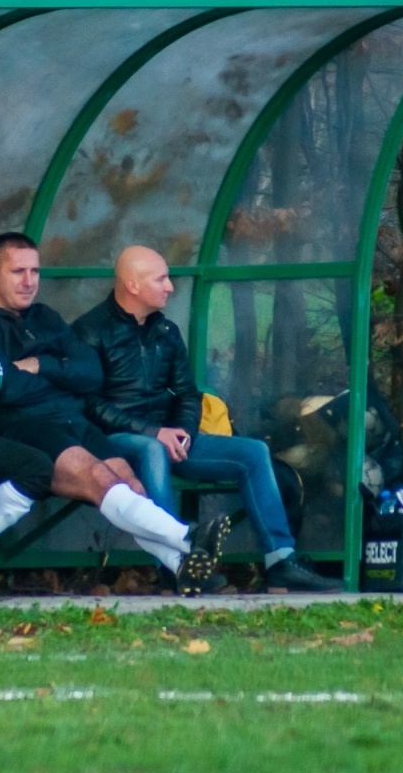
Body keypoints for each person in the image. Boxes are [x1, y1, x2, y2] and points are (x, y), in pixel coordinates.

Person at [0, 233, 228, 593]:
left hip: (70, 419)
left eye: (35, 271)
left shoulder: (44, 317)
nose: (29, 281)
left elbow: (90, 374)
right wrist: (57, 374)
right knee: (102, 480)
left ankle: (180, 565)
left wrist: (40, 365)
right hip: (18, 426)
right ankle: (189, 537)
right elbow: (2, 386)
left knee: (130, 484)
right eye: (17, 271)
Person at [72, 245, 338, 593]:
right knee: (152, 449)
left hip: (169, 438)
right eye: (161, 279)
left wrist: (181, 431)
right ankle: (176, 564)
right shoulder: (89, 331)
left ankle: (281, 561)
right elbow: (89, 403)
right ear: (132, 286)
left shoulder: (166, 331)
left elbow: (186, 393)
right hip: (114, 442)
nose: (170, 287)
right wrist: (154, 432)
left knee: (253, 452)